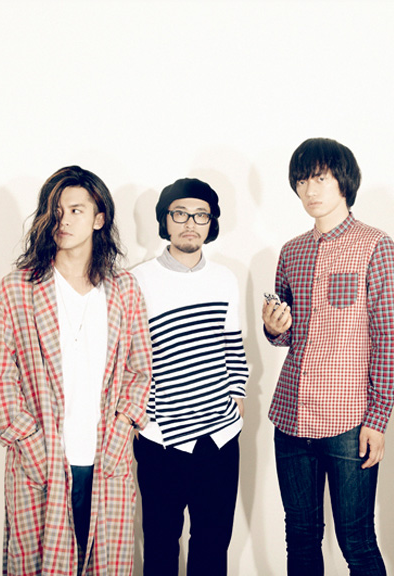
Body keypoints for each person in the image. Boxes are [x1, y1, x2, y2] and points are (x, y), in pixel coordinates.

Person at [0, 165, 151, 575]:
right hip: (41, 460)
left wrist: (122, 428)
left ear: (99, 219)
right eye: (56, 211)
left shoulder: (124, 289)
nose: (64, 220)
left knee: (106, 565)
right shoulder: (16, 289)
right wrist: (31, 444)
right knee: (39, 564)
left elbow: (140, 369)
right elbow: (0, 377)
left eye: (77, 210)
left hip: (106, 459)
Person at [261, 137, 394, 575]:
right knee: (301, 536)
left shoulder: (375, 244)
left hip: (349, 419)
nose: (310, 190)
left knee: (356, 541)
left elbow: (386, 338)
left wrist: (378, 419)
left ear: (343, 180)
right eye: (302, 181)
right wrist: (273, 328)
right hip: (290, 416)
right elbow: (287, 334)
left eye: (320, 178)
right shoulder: (292, 250)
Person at [130, 178, 249, 575]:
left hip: (219, 436)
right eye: (180, 214)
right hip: (161, 437)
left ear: (211, 223)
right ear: (165, 220)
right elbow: (127, 357)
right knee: (160, 547)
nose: (190, 224)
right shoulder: (137, 280)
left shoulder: (224, 278)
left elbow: (233, 345)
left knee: (212, 548)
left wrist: (237, 394)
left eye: (201, 215)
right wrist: (143, 418)